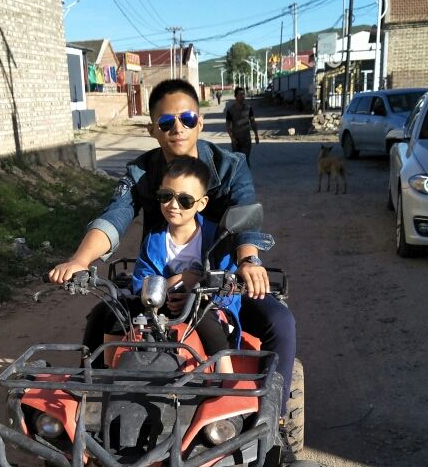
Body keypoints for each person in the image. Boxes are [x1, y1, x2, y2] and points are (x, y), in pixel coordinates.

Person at [49, 77, 295, 408]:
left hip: (218, 285)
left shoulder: (230, 165)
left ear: (200, 121)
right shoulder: (141, 172)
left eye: (187, 118)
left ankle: (271, 416)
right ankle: (92, 397)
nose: (177, 127)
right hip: (157, 283)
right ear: (153, 129)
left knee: (280, 322)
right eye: (166, 122)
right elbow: (115, 216)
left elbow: (244, 216)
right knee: (101, 315)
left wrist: (248, 261)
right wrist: (80, 261)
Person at [127, 156, 239, 374]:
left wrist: (196, 288)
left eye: (185, 200)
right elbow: (141, 283)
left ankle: (225, 371)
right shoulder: (154, 240)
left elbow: (229, 285)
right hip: (161, 307)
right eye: (165, 196)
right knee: (109, 312)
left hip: (209, 309)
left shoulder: (217, 238)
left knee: (201, 313)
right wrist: (178, 280)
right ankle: (99, 371)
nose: (173, 205)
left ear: (202, 203)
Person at [225, 86, 260, 165]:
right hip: (236, 141)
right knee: (236, 161)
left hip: (246, 139)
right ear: (235, 96)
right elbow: (227, 125)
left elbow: (253, 122)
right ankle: (238, 177)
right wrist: (232, 137)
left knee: (244, 159)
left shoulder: (248, 108)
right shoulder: (230, 110)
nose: (243, 96)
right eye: (240, 94)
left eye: (243, 94)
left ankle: (246, 176)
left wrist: (256, 135)